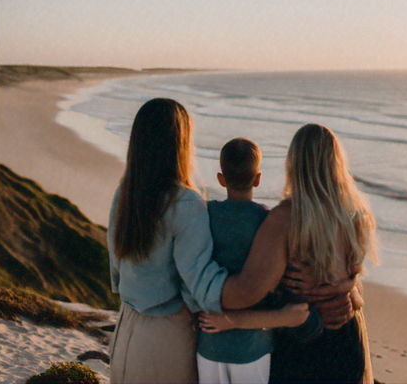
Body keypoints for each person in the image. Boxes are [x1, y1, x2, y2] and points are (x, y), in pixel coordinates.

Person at [108, 100, 356, 384]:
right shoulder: (186, 202)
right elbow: (202, 285)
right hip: (168, 334)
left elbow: (116, 271)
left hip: (125, 330)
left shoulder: (124, 194)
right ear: (180, 142)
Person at [202, 124, 378, 383]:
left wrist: (199, 287)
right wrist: (343, 285)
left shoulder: (285, 219)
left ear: (293, 164)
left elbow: (246, 291)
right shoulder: (357, 213)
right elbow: (355, 282)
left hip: (305, 343)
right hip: (347, 339)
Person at [197, 137, 310, 384]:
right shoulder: (267, 220)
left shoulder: (206, 213)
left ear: (220, 179)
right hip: (252, 343)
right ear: (258, 179)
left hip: (209, 339)